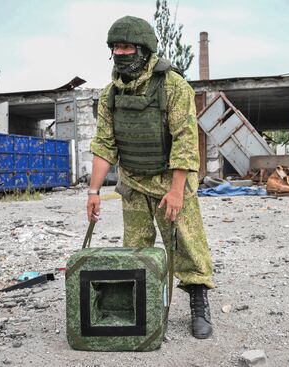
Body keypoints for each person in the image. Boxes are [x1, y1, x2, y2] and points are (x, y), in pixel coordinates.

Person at [86, 15, 214, 339]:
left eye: (127, 46)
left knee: (187, 242)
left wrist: (176, 190)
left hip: (171, 179)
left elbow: (186, 140)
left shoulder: (172, 86)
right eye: (116, 47)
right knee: (135, 249)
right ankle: (141, 305)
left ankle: (199, 300)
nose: (121, 52)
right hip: (133, 182)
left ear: (143, 49)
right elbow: (104, 145)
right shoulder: (110, 95)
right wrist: (93, 192)